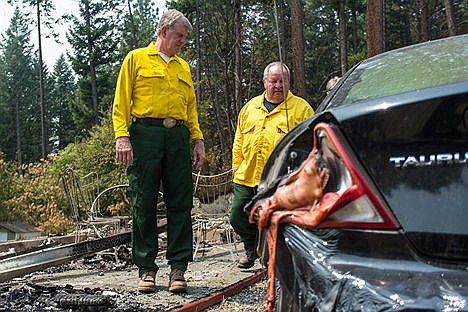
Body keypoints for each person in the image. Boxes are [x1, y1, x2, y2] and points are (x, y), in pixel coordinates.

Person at [112, 9, 205, 294]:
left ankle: (178, 269)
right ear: (164, 31)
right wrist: (122, 137)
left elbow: (190, 108)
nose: (182, 42)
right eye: (179, 36)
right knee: (144, 201)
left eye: (185, 38)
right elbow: (120, 103)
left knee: (180, 202)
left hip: (178, 136)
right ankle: (146, 269)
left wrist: (197, 139)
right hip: (144, 135)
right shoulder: (136, 59)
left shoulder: (183, 67)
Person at [230, 62, 314, 269]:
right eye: (273, 81)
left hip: (281, 177)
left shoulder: (301, 109)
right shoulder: (249, 108)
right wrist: (236, 165)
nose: (278, 85)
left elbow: (311, 143)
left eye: (282, 81)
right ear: (264, 82)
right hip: (247, 175)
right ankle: (250, 248)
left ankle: (272, 258)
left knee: (275, 219)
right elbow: (239, 139)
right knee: (238, 215)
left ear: (289, 82)